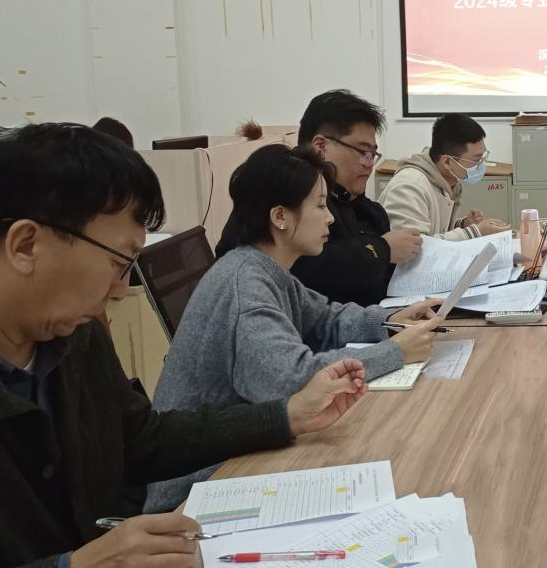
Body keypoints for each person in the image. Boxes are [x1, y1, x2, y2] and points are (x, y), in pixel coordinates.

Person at [0, 123, 369, 567]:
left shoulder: (67, 329)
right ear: (26, 245)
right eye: (119, 262)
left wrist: (285, 415)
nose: (119, 289)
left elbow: (140, 440)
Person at [148, 144, 440, 511]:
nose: (330, 218)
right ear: (280, 217)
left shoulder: (265, 269)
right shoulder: (245, 285)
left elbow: (328, 319)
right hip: (197, 486)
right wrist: (395, 352)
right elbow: (292, 380)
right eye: (319, 206)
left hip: (241, 456)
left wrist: (389, 322)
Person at [218, 89, 423, 305]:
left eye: (373, 154)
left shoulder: (361, 207)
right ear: (320, 147)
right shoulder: (278, 188)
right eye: (362, 152)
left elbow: (326, 315)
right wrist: (382, 250)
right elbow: (309, 271)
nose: (369, 164)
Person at [378, 113, 509, 240]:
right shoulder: (409, 188)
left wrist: (463, 225)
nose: (481, 164)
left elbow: (436, 231)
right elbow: (416, 247)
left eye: (483, 157)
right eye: (476, 159)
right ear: (447, 162)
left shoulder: (446, 181)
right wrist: (476, 232)